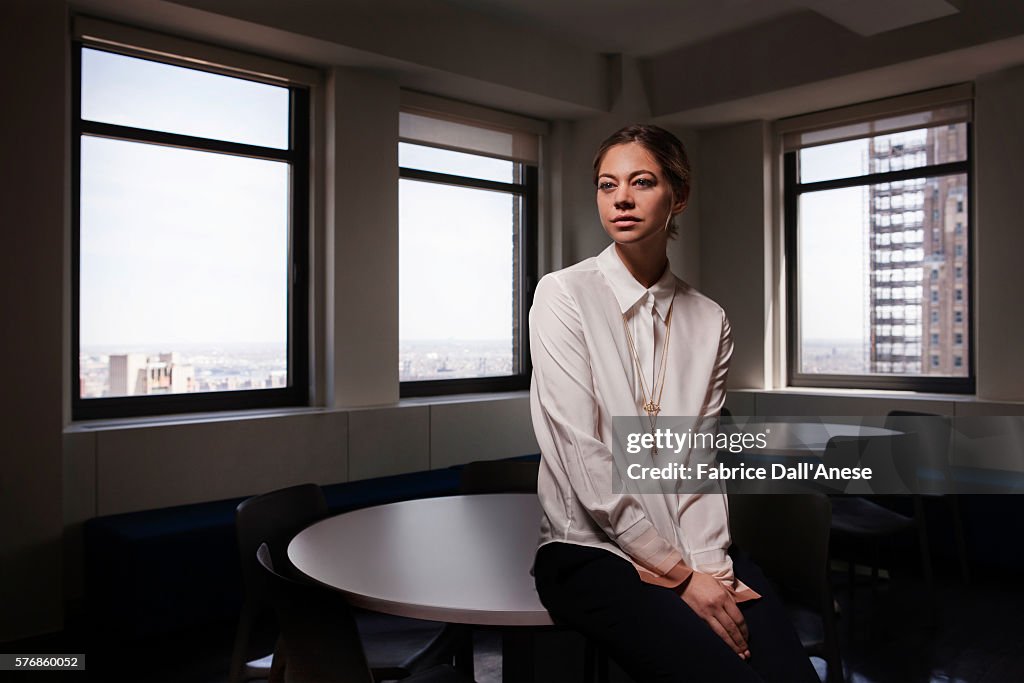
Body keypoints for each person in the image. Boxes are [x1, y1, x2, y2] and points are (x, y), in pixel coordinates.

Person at [529, 124, 819, 683]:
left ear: (677, 197)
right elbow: (584, 459)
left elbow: (699, 461)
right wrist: (680, 579)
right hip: (592, 553)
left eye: (642, 182)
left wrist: (710, 571)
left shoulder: (709, 319)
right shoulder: (562, 294)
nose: (621, 198)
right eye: (606, 184)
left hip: (695, 549)